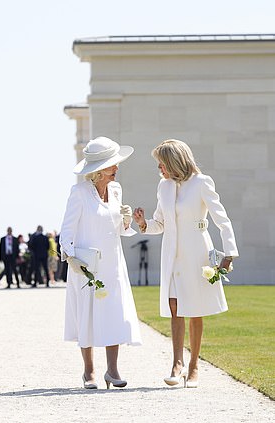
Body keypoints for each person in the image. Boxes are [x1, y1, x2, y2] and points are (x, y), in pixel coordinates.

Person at [133, 139, 238, 388]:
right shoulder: (164, 187)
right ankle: (176, 364)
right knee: (174, 306)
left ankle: (194, 366)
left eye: (162, 164)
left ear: (174, 162)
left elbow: (222, 219)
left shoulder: (202, 183)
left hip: (197, 252)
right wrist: (143, 223)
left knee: (194, 309)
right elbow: (161, 223)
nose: (159, 169)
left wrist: (229, 253)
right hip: (172, 253)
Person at [59, 136, 142, 390]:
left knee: (113, 313)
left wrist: (127, 221)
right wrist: (73, 258)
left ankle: (113, 370)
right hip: (87, 266)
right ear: (98, 169)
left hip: (113, 264)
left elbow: (119, 229)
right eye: (112, 164)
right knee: (87, 315)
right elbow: (66, 233)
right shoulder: (79, 193)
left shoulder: (116, 190)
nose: (117, 167)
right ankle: (89, 371)